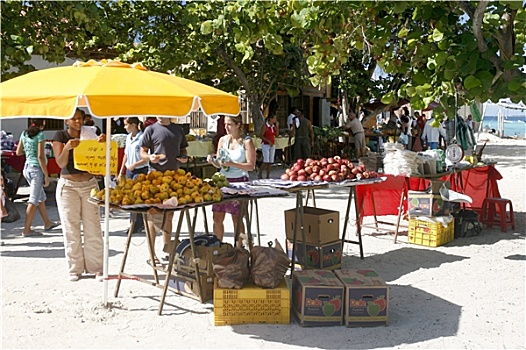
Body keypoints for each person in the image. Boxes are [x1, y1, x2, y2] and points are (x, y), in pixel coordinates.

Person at [52, 109, 106, 282]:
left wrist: (102, 144)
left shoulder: (90, 133)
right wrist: (67, 147)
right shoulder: (60, 135)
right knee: (71, 227)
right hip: (68, 186)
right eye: (73, 118)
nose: (77, 121)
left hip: (89, 183)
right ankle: (75, 269)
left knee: (93, 227)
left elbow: (100, 156)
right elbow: (60, 162)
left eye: (80, 118)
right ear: (66, 121)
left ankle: (97, 267)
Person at [140, 117, 188, 265]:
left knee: (169, 215)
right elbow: (142, 152)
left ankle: (167, 251)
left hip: (174, 178)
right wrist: (149, 157)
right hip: (155, 178)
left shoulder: (178, 129)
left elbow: (183, 149)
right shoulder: (151, 129)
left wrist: (184, 157)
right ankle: (151, 253)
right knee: (152, 215)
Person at [207, 115, 256, 243]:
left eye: (229, 124)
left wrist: (232, 164)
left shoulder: (246, 141)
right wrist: (213, 161)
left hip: (240, 181)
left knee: (237, 218)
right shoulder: (223, 140)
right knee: (217, 217)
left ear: (238, 125)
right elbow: (220, 163)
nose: (226, 127)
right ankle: (218, 247)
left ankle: (240, 249)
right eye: (225, 124)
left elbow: (251, 166)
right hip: (223, 181)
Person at [16, 119, 60, 236]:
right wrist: (46, 175)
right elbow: (41, 157)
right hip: (37, 170)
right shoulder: (41, 135)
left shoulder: (24, 133)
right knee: (34, 199)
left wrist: (29, 149)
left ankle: (47, 223)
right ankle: (26, 229)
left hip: (27, 168)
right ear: (43, 124)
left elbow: (18, 152)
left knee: (40, 197)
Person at [118, 117, 149, 233]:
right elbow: (126, 155)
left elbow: (146, 157)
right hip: (129, 170)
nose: (125, 127)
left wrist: (135, 164)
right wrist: (122, 171)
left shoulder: (142, 138)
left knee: (137, 196)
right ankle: (134, 222)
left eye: (126, 125)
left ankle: (138, 222)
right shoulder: (128, 137)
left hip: (140, 170)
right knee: (129, 197)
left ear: (134, 125)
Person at [258, 114, 278, 179]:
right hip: (265, 144)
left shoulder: (273, 126)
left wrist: (277, 127)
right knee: (266, 160)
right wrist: (268, 141)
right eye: (274, 118)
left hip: (272, 144)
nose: (275, 120)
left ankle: (268, 175)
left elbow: (277, 135)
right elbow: (261, 135)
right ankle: (260, 173)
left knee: (270, 161)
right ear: (270, 119)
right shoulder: (265, 126)